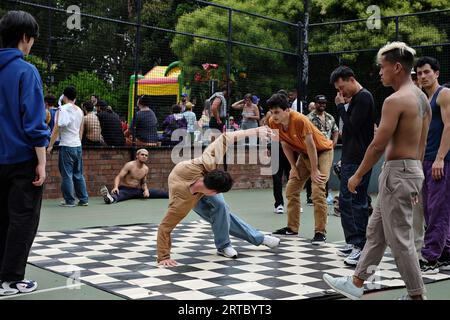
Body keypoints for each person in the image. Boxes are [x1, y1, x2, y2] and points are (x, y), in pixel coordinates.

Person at [323, 42, 431, 300]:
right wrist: (414, 170)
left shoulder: (395, 100)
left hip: (398, 173)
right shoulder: (421, 98)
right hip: (410, 169)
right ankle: (357, 282)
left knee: (400, 241)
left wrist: (357, 175)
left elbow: (377, 144)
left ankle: (417, 296)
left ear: (396, 67)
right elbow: (423, 141)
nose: (379, 72)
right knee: (376, 233)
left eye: (382, 67)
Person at [157, 127, 280, 267]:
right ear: (214, 192)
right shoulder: (180, 203)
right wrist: (163, 256)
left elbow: (225, 138)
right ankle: (253, 239)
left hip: (191, 176)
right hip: (185, 191)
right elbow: (165, 227)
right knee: (220, 215)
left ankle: (225, 245)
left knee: (221, 207)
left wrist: (255, 131)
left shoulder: (207, 163)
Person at [0, 10, 49, 296]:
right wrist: (41, 162)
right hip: (21, 160)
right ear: (24, 38)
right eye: (32, 40)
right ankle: (10, 280)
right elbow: (34, 123)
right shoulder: (26, 71)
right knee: (22, 219)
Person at [267, 93, 333, 244]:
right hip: (304, 154)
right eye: (272, 112)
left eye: (277, 112)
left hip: (322, 151)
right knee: (291, 189)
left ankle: (320, 232)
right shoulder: (272, 122)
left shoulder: (300, 120)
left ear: (287, 110)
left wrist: (315, 170)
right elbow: (284, 143)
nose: (274, 115)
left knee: (317, 191)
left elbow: (311, 146)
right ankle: (292, 228)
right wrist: (293, 167)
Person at [331, 66, 376, 266]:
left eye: (342, 87)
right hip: (350, 157)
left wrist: (341, 106)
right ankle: (353, 242)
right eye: (339, 90)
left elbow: (351, 127)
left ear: (351, 79)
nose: (341, 93)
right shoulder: (356, 99)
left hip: (359, 158)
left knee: (356, 202)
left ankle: (361, 245)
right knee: (346, 202)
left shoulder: (364, 97)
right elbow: (349, 132)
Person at [416, 56, 450, 273]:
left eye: (427, 72)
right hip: (426, 161)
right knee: (431, 209)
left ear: (436, 73)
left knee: (438, 208)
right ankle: (445, 252)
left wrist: (440, 158)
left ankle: (430, 257)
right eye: (419, 73)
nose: (423, 76)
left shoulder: (444, 94)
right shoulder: (423, 101)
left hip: (442, 161)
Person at [47, 86, 89, 207]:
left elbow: (56, 128)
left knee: (67, 174)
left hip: (66, 145)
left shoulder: (62, 109)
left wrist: (50, 145)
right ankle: (83, 199)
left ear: (64, 96)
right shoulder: (80, 111)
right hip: (77, 145)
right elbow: (81, 130)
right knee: (78, 174)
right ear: (75, 97)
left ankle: (69, 200)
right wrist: (78, 143)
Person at [100, 149, 168, 204]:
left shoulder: (146, 169)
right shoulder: (129, 165)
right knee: (121, 194)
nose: (144, 156)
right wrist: (115, 187)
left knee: (155, 192)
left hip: (136, 190)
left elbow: (143, 183)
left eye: (146, 155)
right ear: (137, 156)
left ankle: (173, 195)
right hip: (125, 189)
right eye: (142, 154)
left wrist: (146, 190)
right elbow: (118, 177)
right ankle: (110, 199)